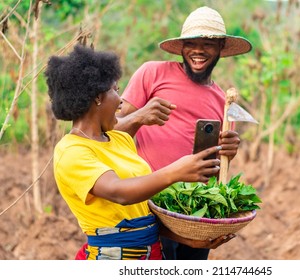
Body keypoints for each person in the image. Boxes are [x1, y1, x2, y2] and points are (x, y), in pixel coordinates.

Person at [44, 44, 231, 260]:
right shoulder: (71, 151)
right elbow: (119, 192)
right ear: (97, 97)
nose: (121, 99)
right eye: (115, 90)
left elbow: (141, 213)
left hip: (152, 254)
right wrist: (176, 172)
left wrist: (188, 239)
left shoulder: (120, 138)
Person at [115, 6, 252, 260]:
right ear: (181, 47)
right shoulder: (152, 73)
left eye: (208, 44)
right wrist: (140, 116)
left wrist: (227, 155)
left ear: (221, 47)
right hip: (148, 205)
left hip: (194, 212)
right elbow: (109, 128)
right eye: (191, 43)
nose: (198, 50)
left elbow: (213, 167)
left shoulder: (223, 101)